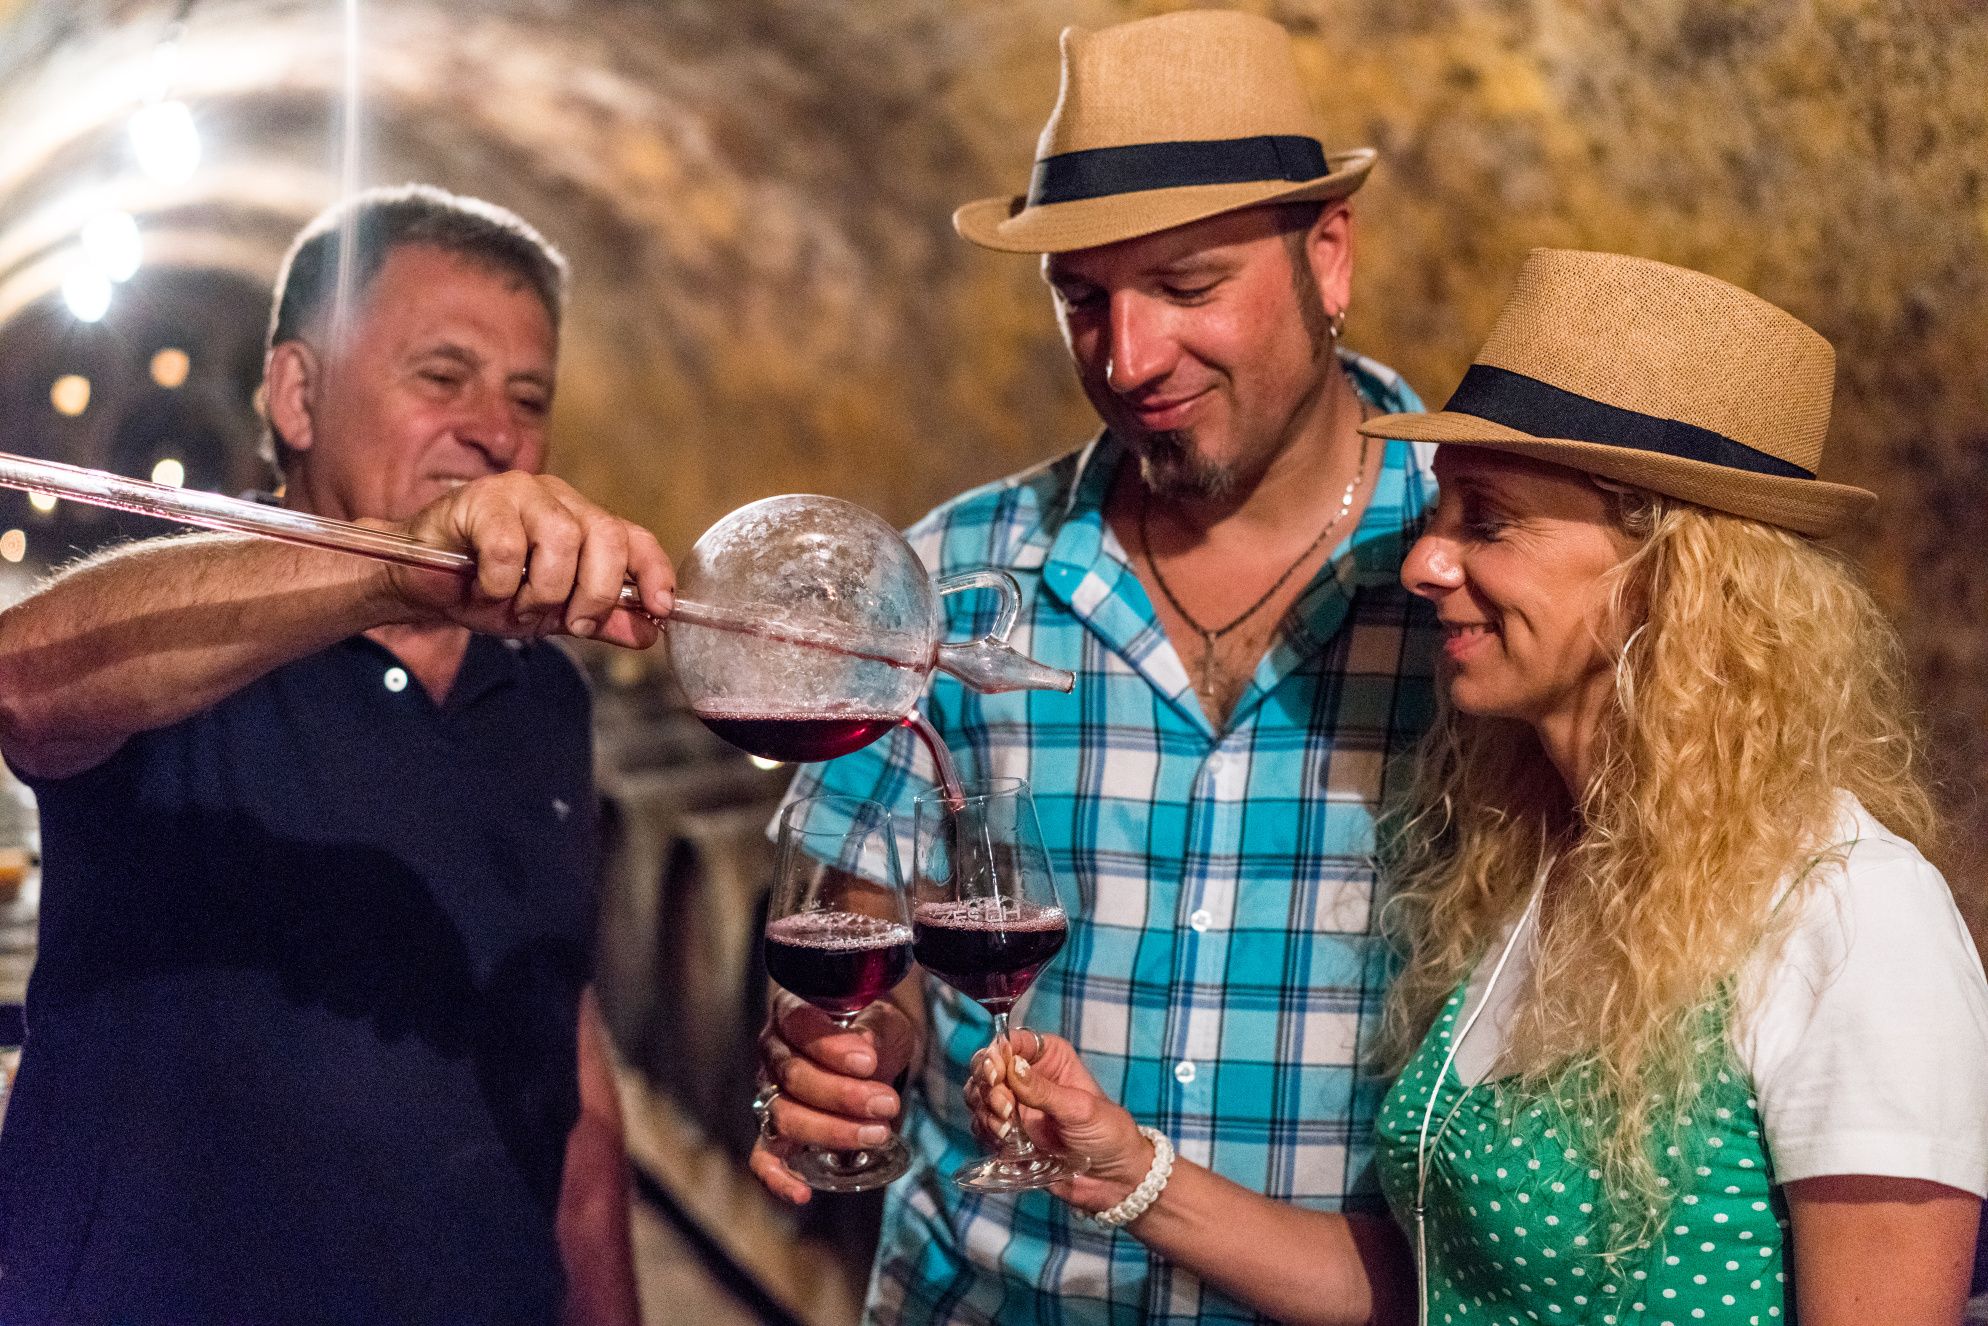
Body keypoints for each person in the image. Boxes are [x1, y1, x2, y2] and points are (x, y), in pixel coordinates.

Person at [969, 249, 1988, 1325]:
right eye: (1440, 512)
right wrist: (1125, 1168)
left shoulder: (1848, 912)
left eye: (1486, 521)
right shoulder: (1546, 864)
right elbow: (1444, 1294)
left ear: (1671, 572)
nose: (1422, 565)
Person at [749, 11, 1440, 1323]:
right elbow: (857, 946)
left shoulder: (1472, 582)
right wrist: (847, 1053)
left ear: (1328, 257)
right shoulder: (952, 573)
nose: (1127, 360)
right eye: (1083, 298)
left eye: (1187, 287)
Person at [0, 184, 668, 1324]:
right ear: (297, 396)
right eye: (440, 375)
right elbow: (23, 680)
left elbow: (567, 1066)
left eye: (527, 396)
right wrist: (395, 564)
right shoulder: (198, 621)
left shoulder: (540, 690)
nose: (495, 432)